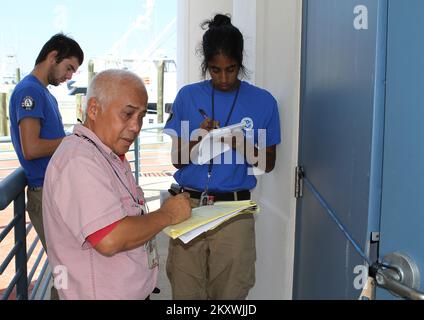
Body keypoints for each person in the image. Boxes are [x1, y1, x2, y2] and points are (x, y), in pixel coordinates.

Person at [42, 69, 191, 300]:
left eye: (141, 116)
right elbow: (109, 238)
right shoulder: (79, 160)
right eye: (128, 114)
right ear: (93, 109)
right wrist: (168, 215)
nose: (136, 126)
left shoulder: (106, 154)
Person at [164, 14, 281, 300]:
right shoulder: (187, 97)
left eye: (231, 69)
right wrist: (196, 137)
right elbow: (178, 160)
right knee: (185, 294)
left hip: (234, 213)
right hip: (187, 206)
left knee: (230, 296)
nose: (224, 78)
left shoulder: (263, 102)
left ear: (240, 63)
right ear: (206, 66)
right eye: (216, 70)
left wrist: (241, 143)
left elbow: (267, 163)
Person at [9, 33, 83, 299]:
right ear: (53, 56)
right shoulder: (29, 91)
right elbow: (31, 148)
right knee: (65, 268)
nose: (70, 76)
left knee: (68, 265)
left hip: (55, 192)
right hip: (46, 194)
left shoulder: (42, 92)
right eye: (69, 68)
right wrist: (74, 139)